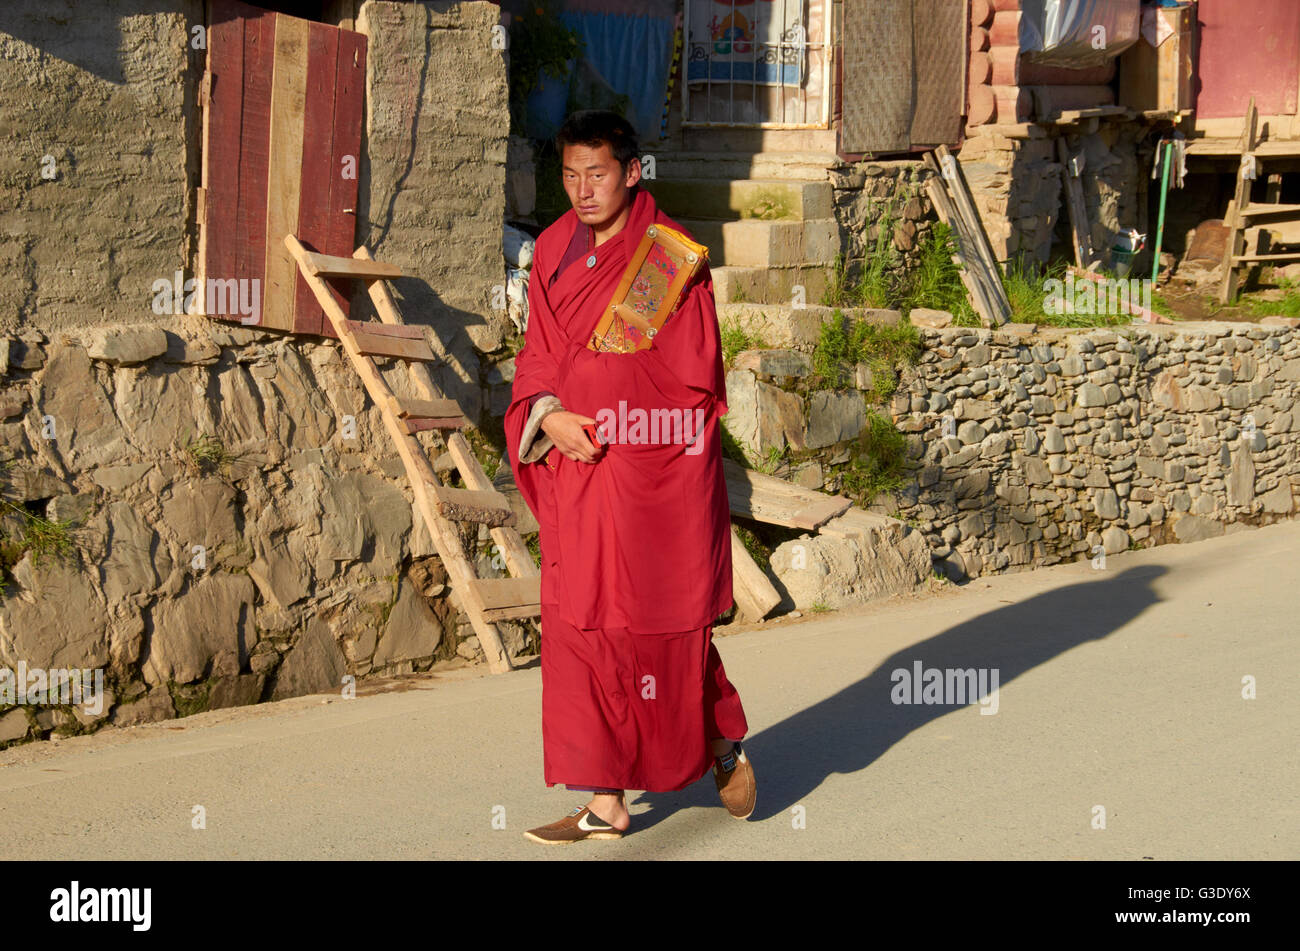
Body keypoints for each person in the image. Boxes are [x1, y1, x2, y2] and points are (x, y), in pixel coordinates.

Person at [504, 110, 756, 844]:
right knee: (583, 629)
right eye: (571, 175)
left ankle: (718, 740)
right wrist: (547, 415)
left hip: (651, 477)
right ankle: (606, 800)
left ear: (632, 172)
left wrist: (609, 410)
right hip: (580, 474)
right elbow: (539, 356)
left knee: (656, 632)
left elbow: (692, 383)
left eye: (598, 174)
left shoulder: (669, 260)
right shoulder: (552, 250)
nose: (583, 190)